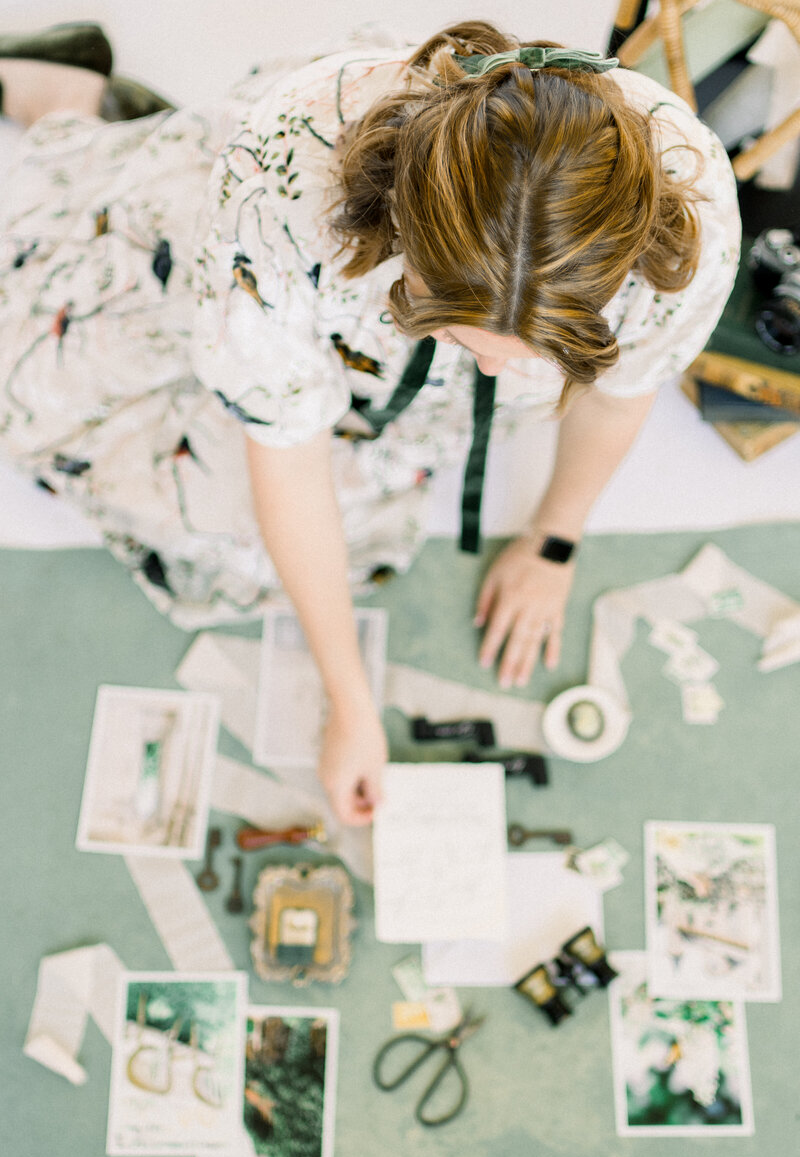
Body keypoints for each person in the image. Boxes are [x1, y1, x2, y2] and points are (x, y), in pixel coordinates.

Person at [0, 20, 741, 825]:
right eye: (463, 338)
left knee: (285, 559)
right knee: (35, 393)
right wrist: (350, 705)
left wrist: (553, 543)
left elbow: (622, 393)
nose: (495, 369)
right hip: (259, 238)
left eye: (531, 350)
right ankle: (69, 100)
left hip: (375, 373)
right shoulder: (287, 181)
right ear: (399, 238)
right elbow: (284, 452)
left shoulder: (690, 209)